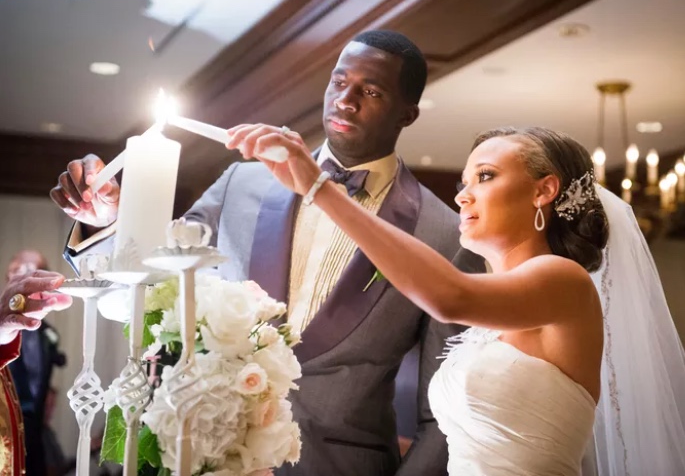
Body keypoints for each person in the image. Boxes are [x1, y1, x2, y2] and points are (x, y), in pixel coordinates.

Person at [49, 30, 485, 476]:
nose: (346, 100)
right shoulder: (241, 184)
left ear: (407, 114)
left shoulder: (444, 235)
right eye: (339, 81)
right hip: (208, 457)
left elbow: (445, 416)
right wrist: (105, 219)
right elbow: (148, 291)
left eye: (370, 91)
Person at [227, 124, 685, 475]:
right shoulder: (491, 319)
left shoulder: (564, 281)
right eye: (463, 181)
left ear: (544, 190)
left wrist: (319, 188)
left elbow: (447, 296)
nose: (462, 196)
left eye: (485, 177)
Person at [0, 269, 71, 475]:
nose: (24, 273)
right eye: (16, 269)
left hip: (33, 429)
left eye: (32, 267)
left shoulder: (49, 334)